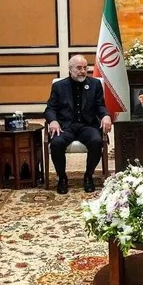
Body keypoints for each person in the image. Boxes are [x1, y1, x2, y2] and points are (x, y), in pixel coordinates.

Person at [44, 55, 111, 194]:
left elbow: (100, 106)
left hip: (87, 125)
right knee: (56, 143)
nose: (83, 71)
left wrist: (106, 115)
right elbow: (50, 109)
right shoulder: (59, 86)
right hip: (65, 126)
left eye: (85, 68)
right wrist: (53, 121)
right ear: (70, 69)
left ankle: (88, 176)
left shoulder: (95, 84)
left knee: (96, 141)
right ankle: (62, 177)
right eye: (79, 68)